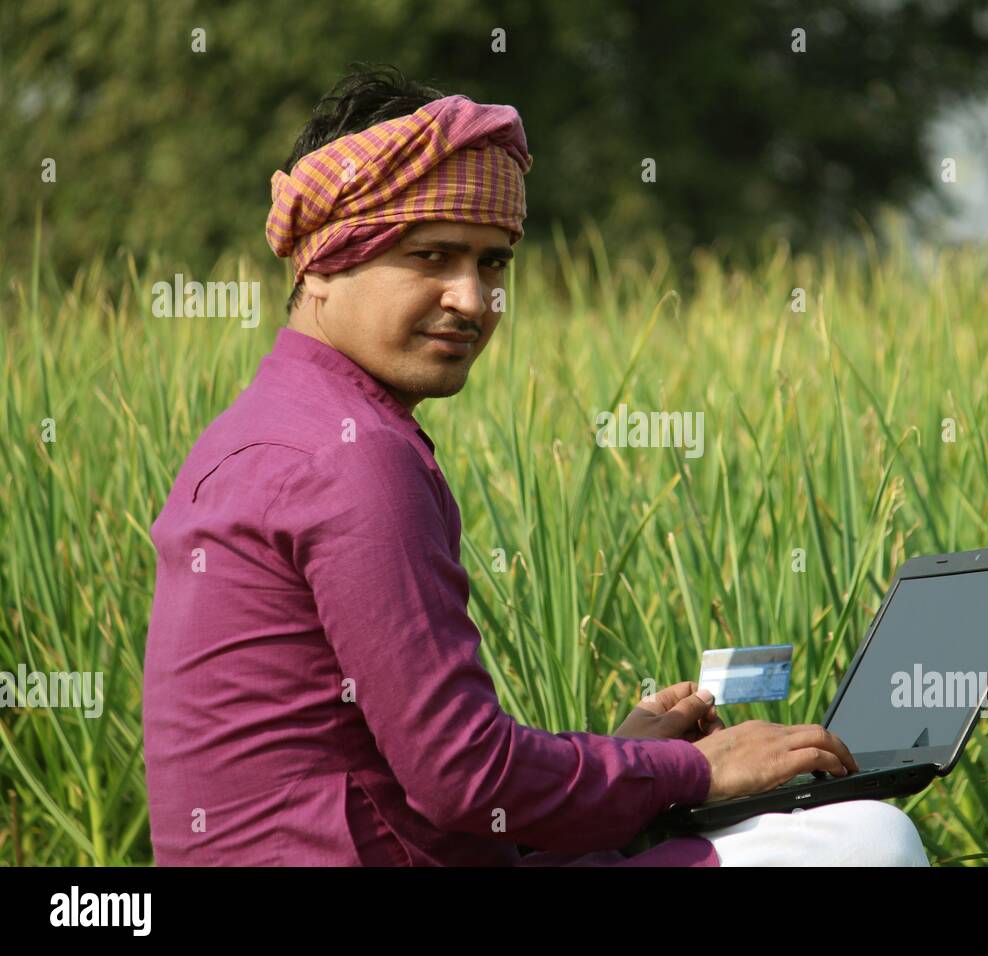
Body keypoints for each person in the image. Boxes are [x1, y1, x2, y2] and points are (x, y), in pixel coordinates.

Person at [142, 65, 929, 867]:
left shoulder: (255, 431)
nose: (474, 300)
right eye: (433, 256)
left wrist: (628, 761)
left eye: (493, 264)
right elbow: (462, 779)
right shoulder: (355, 456)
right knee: (865, 837)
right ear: (322, 262)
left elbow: (436, 776)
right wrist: (693, 768)